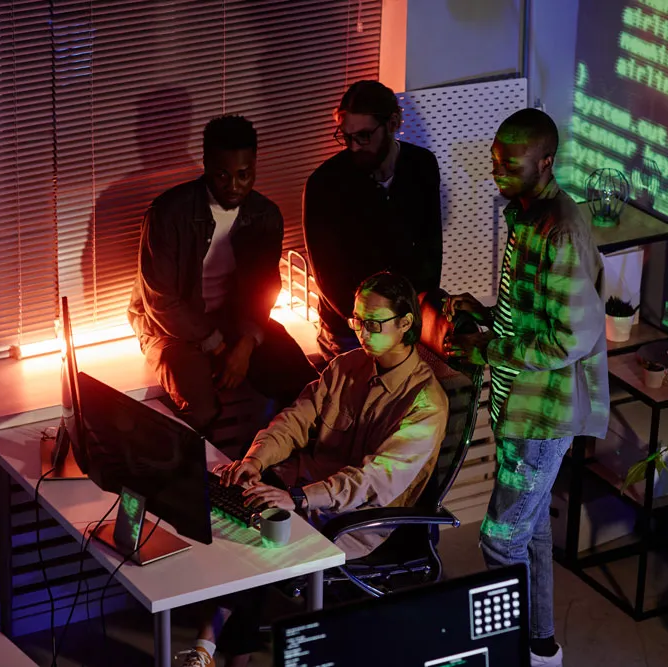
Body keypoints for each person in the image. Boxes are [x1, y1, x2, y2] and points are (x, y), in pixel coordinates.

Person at [177, 272, 449, 667]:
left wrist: (298, 497)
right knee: (233, 506)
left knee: (261, 541)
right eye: (357, 321)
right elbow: (295, 420)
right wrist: (256, 461)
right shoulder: (348, 366)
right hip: (301, 489)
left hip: (355, 518)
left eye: (374, 323)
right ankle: (215, 649)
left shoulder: (426, 403)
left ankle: (215, 650)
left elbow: (371, 480)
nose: (362, 332)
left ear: (406, 323)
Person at [444, 109, 609, 667]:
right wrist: (488, 316)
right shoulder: (528, 216)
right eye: (494, 162)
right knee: (532, 529)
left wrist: (488, 349)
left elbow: (573, 336)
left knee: (499, 539)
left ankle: (510, 653)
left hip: (543, 415)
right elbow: (531, 317)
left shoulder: (559, 228)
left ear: (546, 162)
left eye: (510, 166)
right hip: (520, 407)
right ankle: (540, 647)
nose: (498, 174)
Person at [127, 115, 317, 436]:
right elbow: (161, 301)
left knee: (308, 388)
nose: (234, 186)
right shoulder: (168, 213)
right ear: (206, 165)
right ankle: (201, 483)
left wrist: (245, 343)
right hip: (172, 330)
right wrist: (217, 346)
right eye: (222, 175)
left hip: (235, 321)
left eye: (244, 175)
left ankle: (276, 472)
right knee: (201, 411)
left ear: (255, 165)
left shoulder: (264, 215)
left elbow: (266, 286)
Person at [304, 80, 443, 362]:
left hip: (402, 317)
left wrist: (415, 313)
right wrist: (369, 325)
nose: (354, 146)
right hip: (351, 325)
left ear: (393, 123)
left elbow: (430, 247)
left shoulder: (422, 165)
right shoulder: (324, 184)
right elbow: (328, 276)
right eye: (346, 137)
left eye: (364, 136)